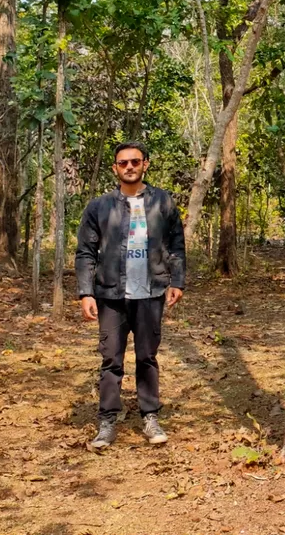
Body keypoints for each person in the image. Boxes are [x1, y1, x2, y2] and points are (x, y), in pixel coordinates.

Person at [75, 141, 186, 449]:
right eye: (123, 163)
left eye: (135, 161)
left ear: (145, 164)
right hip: (111, 294)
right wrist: (86, 292)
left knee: (147, 357)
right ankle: (107, 421)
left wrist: (176, 281)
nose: (129, 167)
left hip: (151, 292)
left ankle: (150, 416)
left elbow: (176, 244)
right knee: (111, 359)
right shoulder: (99, 207)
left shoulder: (162, 202)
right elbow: (85, 252)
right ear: (115, 168)